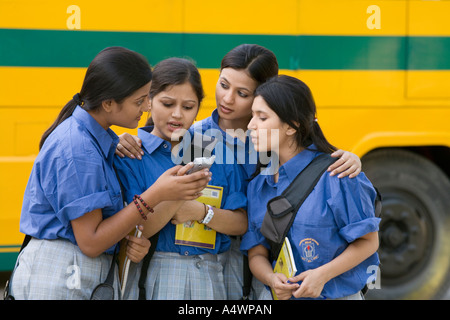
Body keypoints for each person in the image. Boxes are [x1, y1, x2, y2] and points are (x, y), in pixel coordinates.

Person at [115, 44, 363, 300]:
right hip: (218, 263)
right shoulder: (197, 139)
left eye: (242, 93)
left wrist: (350, 158)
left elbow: (315, 158)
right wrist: (124, 139)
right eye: (223, 85)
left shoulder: (276, 138)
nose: (227, 99)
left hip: (278, 263)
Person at [8, 47, 211, 300]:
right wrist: (156, 195)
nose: (146, 106)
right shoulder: (80, 149)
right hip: (63, 275)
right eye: (139, 101)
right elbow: (92, 242)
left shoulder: (96, 141)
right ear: (108, 103)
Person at [114, 57, 248, 300]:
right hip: (154, 273)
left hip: (211, 275)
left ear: (198, 108)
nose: (177, 115)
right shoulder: (131, 154)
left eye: (187, 107)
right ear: (148, 100)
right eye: (167, 104)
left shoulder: (216, 151)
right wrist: (177, 194)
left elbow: (241, 222)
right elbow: (135, 230)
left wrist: (201, 211)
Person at [241, 75, 380, 300]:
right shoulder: (259, 185)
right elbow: (257, 251)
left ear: (292, 125)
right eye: (252, 116)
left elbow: (368, 241)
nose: (250, 125)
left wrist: (322, 276)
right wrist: (270, 278)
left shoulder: (339, 175)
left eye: (262, 117)